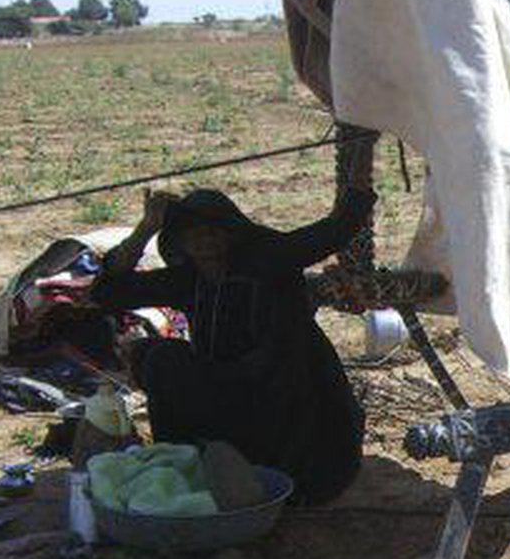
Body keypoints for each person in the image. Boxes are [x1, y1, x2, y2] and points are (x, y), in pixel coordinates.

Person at [84, 169, 375, 506]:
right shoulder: (189, 280)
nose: (204, 242)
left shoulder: (270, 261)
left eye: (212, 232)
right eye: (193, 235)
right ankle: (189, 465)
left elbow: (333, 231)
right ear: (181, 242)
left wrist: (358, 185)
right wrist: (146, 228)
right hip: (227, 398)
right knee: (156, 357)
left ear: (232, 233)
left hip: (286, 407)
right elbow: (107, 292)